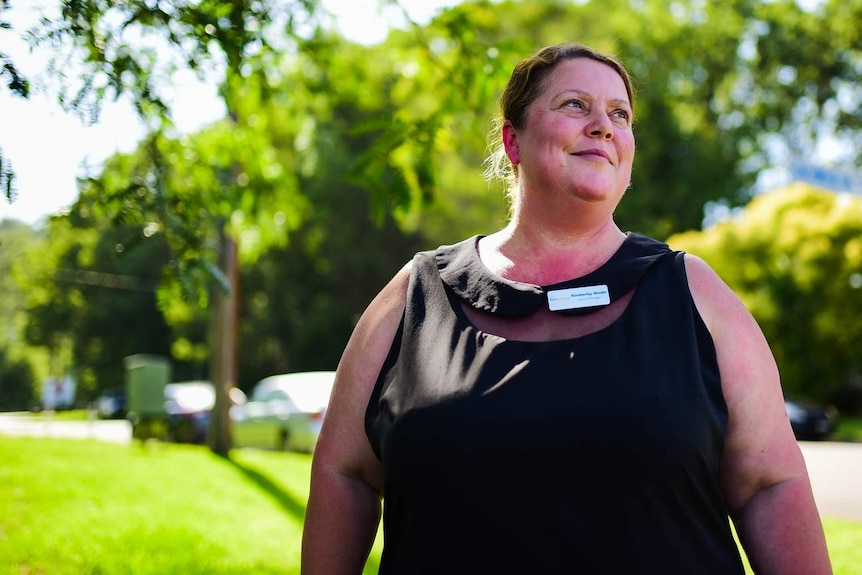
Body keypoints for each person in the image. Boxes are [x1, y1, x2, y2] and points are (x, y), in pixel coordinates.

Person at [302, 42, 832, 574]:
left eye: (619, 114)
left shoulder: (694, 292)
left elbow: (770, 484)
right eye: (575, 104)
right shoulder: (415, 295)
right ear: (514, 140)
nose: (603, 125)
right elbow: (344, 471)